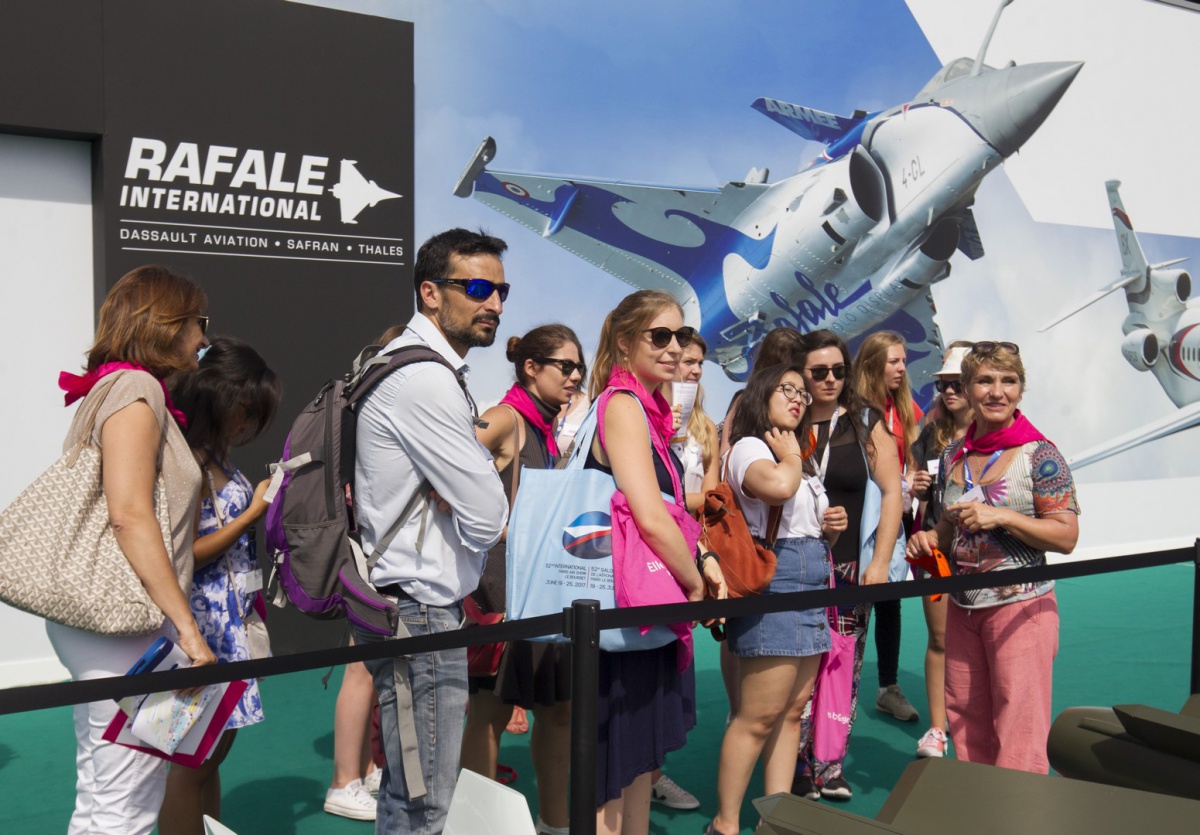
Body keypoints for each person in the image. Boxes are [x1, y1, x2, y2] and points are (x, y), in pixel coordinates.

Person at [47, 265, 216, 834]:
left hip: (107, 621)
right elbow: (130, 515)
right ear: (168, 324)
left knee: (104, 791)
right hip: (128, 622)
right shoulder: (137, 390)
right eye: (198, 322)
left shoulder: (111, 388)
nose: (203, 336)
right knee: (127, 802)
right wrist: (187, 630)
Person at [353, 228, 510, 832]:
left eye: (500, 290)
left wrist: (466, 491)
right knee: (425, 803)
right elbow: (490, 516)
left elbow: (472, 501)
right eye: (476, 288)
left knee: (407, 790)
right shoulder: (424, 379)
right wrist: (472, 493)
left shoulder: (402, 364)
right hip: (420, 610)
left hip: (409, 606)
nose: (493, 303)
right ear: (431, 293)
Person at [586, 290, 725, 835]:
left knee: (637, 759)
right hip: (626, 609)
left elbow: (668, 513)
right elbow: (648, 514)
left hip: (643, 607)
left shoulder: (649, 410)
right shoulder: (622, 405)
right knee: (615, 766)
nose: (674, 348)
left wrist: (702, 560)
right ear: (625, 342)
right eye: (659, 336)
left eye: (680, 335)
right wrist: (695, 584)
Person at [908, 342, 1079, 774]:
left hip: (1021, 609)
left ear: (1021, 390)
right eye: (985, 380)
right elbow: (947, 530)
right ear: (967, 388)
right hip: (963, 611)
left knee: (1019, 735)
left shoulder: (1040, 455)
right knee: (967, 727)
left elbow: (1066, 536)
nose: (997, 392)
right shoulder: (952, 456)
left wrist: (1001, 516)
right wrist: (927, 539)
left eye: (1009, 381)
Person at [708, 364, 847, 835]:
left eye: (801, 394)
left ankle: (776, 817)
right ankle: (725, 825)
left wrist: (830, 527)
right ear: (761, 396)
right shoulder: (753, 448)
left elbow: (800, 515)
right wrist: (790, 458)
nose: (797, 398)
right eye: (786, 390)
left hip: (808, 582)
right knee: (758, 716)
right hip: (776, 584)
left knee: (792, 712)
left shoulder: (796, 456)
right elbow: (777, 487)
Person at [460, 325, 585, 835]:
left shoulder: (545, 428)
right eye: (565, 366)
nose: (576, 376)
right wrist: (491, 524)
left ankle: (554, 822)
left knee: (558, 709)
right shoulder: (509, 417)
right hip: (499, 591)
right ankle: (477, 826)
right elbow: (451, 460)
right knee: (490, 712)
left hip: (541, 589)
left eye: (579, 367)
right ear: (531, 368)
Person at [160, 337, 281, 835]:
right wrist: (252, 512)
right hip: (202, 629)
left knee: (208, 761)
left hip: (226, 625)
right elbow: (182, 553)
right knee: (192, 765)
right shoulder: (185, 459)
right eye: (244, 409)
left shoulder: (212, 455)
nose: (247, 424)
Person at [794, 329, 902, 801]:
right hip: (794, 572)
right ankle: (794, 766)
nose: (831, 379)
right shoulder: (786, 420)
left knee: (841, 667)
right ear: (801, 373)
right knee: (796, 671)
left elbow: (893, 491)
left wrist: (880, 560)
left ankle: (829, 766)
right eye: (820, 372)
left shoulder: (863, 421)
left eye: (840, 370)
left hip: (849, 571)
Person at [907, 342, 974, 759]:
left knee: (983, 641)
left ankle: (974, 722)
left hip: (987, 551)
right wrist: (913, 486)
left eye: (956, 384)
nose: (948, 392)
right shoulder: (932, 432)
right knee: (940, 638)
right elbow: (914, 482)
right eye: (943, 385)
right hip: (938, 547)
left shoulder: (997, 433)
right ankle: (937, 729)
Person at [851, 331, 922, 724]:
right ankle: (838, 690)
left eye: (902, 360)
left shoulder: (905, 408)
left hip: (894, 520)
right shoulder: (852, 410)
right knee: (852, 605)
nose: (900, 368)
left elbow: (912, 461)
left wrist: (915, 478)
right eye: (893, 361)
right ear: (872, 364)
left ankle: (887, 688)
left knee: (889, 602)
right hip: (857, 519)